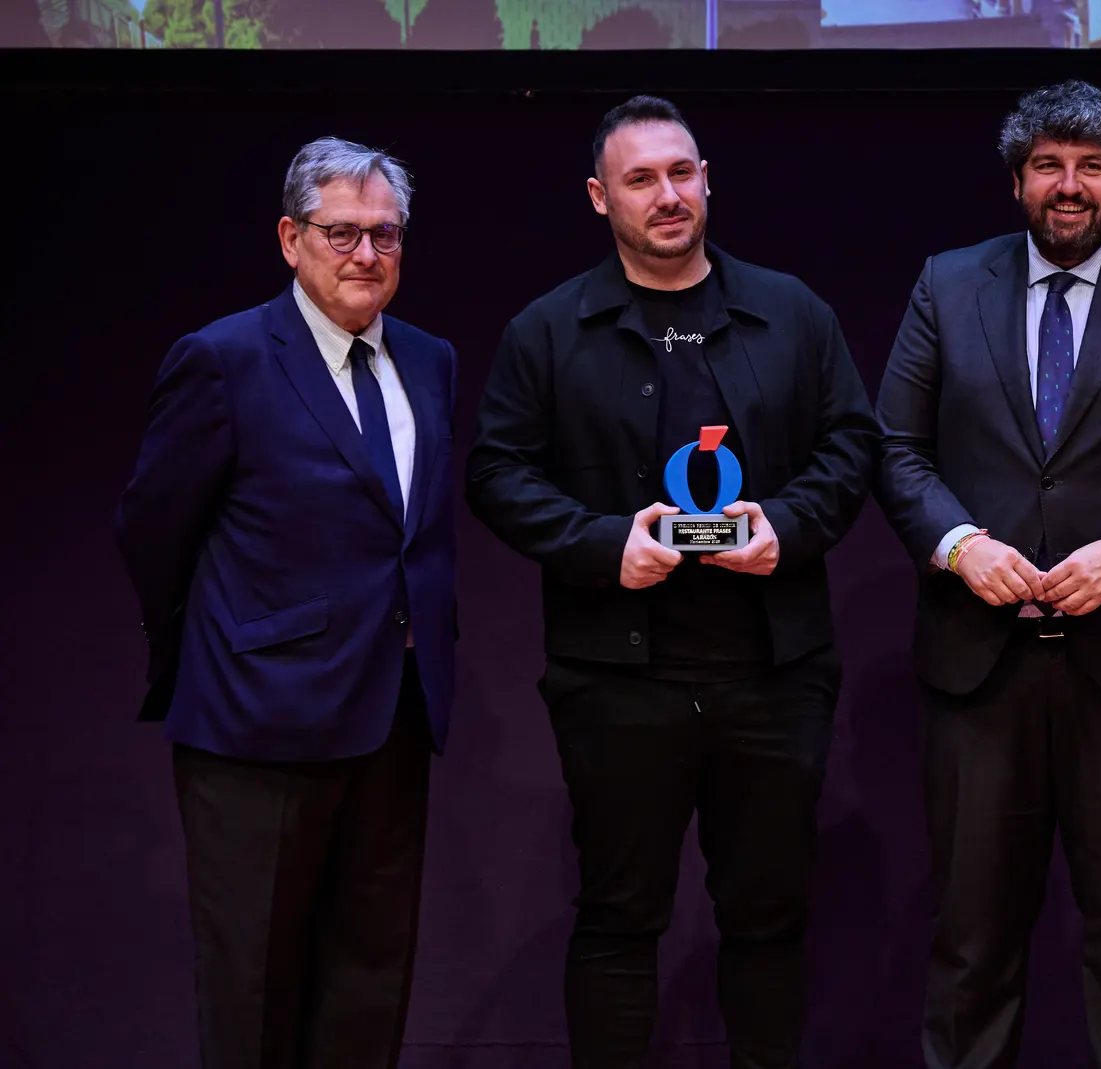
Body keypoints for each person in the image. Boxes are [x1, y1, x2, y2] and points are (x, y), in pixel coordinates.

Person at [464, 95, 878, 1069]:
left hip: (774, 674)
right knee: (618, 917)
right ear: (599, 197)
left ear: (707, 181)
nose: (667, 194)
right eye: (641, 179)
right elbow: (496, 473)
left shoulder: (792, 310)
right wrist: (605, 544)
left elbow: (853, 442)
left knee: (768, 921)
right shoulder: (548, 329)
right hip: (617, 678)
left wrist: (786, 524)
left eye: (682, 172)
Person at [875, 80, 1101, 1069]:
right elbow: (894, 448)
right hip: (979, 671)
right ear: (1018, 180)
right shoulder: (945, 284)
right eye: (1048, 167)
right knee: (971, 943)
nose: (1069, 187)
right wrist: (959, 544)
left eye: (1091, 168)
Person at [116, 137, 458, 1069]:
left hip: (392, 714)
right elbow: (154, 528)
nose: (364, 254)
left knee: (370, 980)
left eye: (384, 234)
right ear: (289, 238)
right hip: (254, 727)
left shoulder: (429, 360)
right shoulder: (223, 359)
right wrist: (220, 651)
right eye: (340, 232)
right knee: (254, 990)